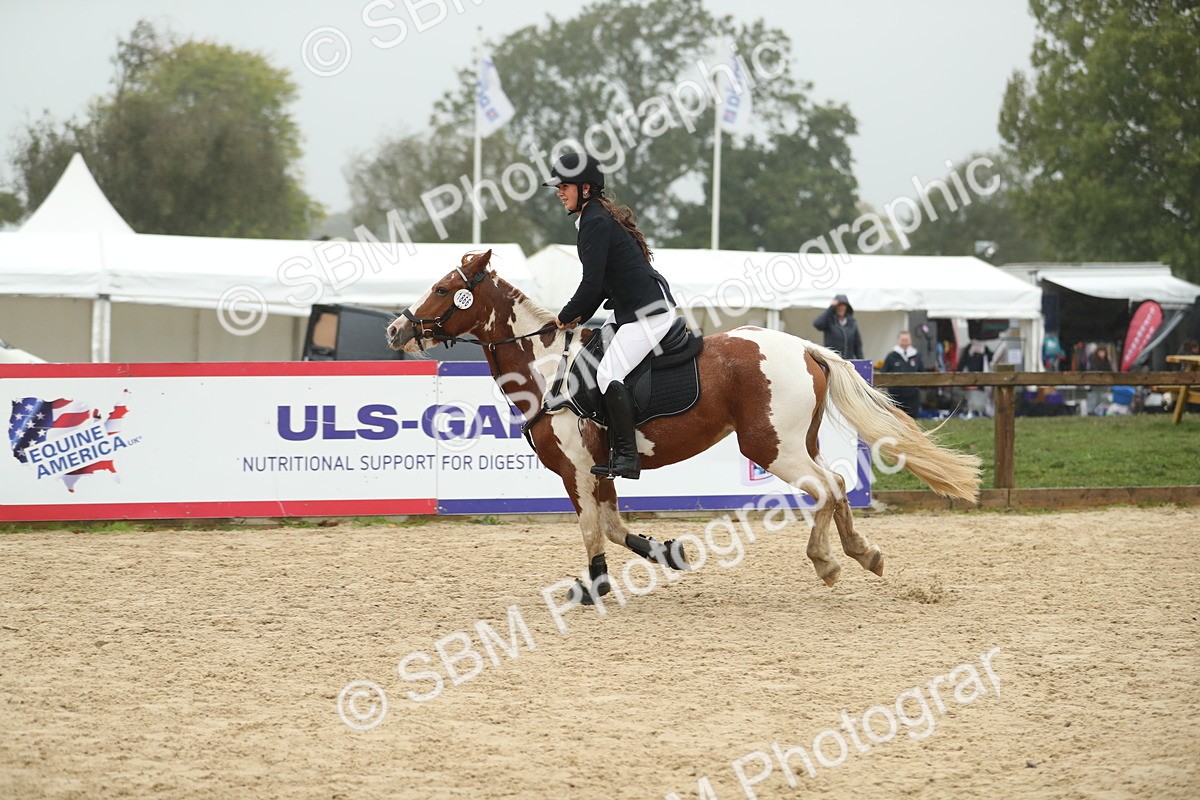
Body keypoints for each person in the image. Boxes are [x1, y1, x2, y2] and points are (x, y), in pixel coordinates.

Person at [542, 152, 678, 480]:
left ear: (585, 188)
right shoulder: (596, 217)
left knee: (607, 374)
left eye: (565, 186)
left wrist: (566, 315)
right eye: (558, 186)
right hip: (630, 311)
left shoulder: (594, 221)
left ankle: (628, 457)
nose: (559, 191)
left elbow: (591, 284)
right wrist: (574, 317)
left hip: (647, 314)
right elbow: (602, 284)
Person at [881, 331, 924, 417]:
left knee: (913, 421)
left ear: (910, 340)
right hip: (896, 395)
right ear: (898, 340)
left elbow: (923, 373)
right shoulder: (892, 356)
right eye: (902, 339)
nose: (904, 341)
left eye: (906, 339)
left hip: (913, 395)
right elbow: (883, 373)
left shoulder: (916, 355)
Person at [813, 294, 863, 359]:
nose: (841, 308)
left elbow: (857, 344)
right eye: (839, 306)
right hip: (832, 360)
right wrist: (831, 307)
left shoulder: (852, 323)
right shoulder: (829, 321)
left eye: (843, 306)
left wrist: (861, 361)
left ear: (846, 307)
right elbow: (817, 324)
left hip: (848, 361)